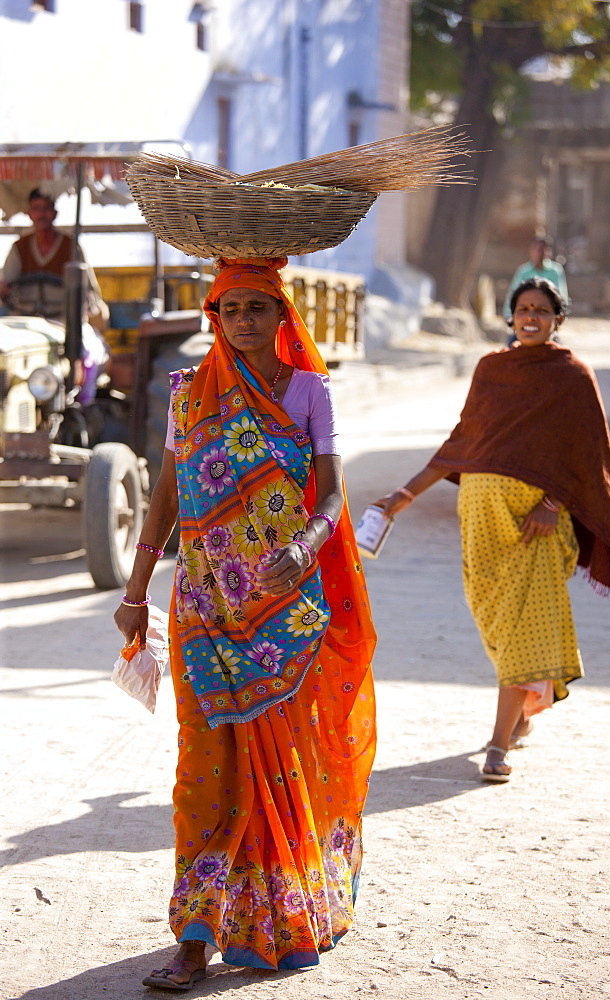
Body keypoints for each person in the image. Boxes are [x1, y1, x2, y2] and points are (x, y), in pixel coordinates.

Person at [114, 255, 376, 988]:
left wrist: (305, 546)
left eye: (257, 308)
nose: (243, 323)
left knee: (283, 768)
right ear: (216, 319)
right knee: (203, 772)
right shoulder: (187, 394)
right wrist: (136, 588)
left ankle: (287, 909)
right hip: (202, 606)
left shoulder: (310, 392)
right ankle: (195, 936)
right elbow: (166, 491)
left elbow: (330, 496)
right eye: (230, 311)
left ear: (283, 316)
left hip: (283, 612)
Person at [377, 278, 610, 784]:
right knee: (494, 620)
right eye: (523, 309)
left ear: (558, 320)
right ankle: (518, 713)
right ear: (510, 315)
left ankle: (497, 747)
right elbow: (462, 441)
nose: (531, 317)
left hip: (534, 528)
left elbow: (586, 454)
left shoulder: (573, 376)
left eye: (542, 310)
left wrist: (553, 502)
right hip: (481, 520)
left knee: (523, 631)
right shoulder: (491, 369)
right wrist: (403, 496)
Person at [0, 188, 110, 405]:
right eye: (37, 209)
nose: (41, 214)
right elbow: (5, 284)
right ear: (29, 213)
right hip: (25, 320)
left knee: (86, 350)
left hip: (64, 321)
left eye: (46, 209)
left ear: (54, 213)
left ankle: (80, 404)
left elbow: (90, 295)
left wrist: (78, 310)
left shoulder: (71, 247)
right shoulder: (19, 248)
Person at [502, 235, 569, 322]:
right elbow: (513, 293)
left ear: (548, 252)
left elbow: (561, 294)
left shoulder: (555, 271)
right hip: (525, 315)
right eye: (536, 249)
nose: (539, 253)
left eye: (542, 249)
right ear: (531, 251)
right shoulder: (523, 271)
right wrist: (509, 315)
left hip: (547, 315)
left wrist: (559, 315)